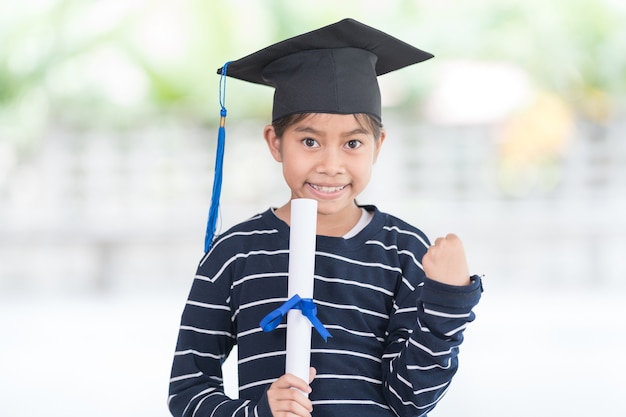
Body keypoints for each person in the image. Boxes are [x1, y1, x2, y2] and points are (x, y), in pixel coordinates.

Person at [168, 18, 483, 417]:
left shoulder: (404, 252)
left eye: (353, 143)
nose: (331, 165)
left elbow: (411, 401)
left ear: (378, 145)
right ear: (275, 142)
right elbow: (187, 392)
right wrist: (258, 412)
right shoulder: (236, 254)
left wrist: (448, 299)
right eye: (310, 141)